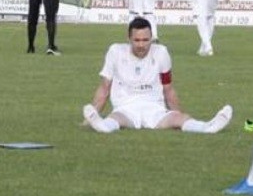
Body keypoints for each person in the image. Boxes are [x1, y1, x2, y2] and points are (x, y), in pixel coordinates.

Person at [82, 17, 232, 134]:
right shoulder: (115, 51)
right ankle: (102, 125)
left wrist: (176, 113)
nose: (141, 45)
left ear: (152, 38)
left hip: (154, 108)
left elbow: (168, 88)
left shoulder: (161, 52)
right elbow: (104, 88)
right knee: (115, 119)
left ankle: (208, 127)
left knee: (180, 119)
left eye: (146, 40)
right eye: (137, 40)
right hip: (125, 108)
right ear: (129, 39)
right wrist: (91, 115)